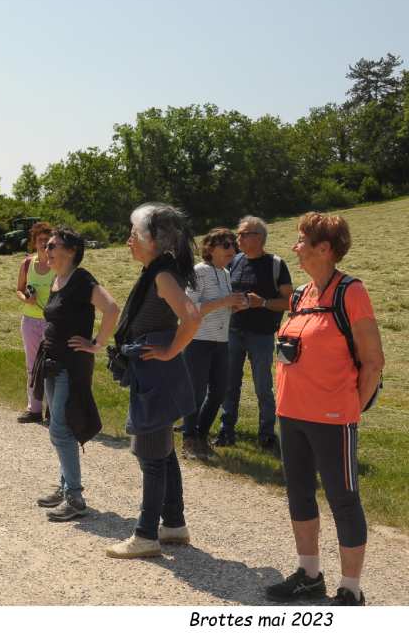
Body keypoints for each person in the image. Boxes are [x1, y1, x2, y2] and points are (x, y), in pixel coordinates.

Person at [264, 213, 383, 607]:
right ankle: (309, 575)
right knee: (299, 494)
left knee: (343, 500)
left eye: (302, 240)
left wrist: (351, 409)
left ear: (324, 249)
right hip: (292, 414)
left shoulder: (351, 291)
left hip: (332, 419)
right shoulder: (301, 294)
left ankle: (350, 590)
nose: (295, 247)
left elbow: (373, 361)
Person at [106, 203, 201, 559]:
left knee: (151, 457)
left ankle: (145, 535)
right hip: (156, 374)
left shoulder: (161, 275)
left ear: (153, 241)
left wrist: (169, 351)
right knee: (164, 451)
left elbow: (191, 318)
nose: (129, 240)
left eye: (134, 234)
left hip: (155, 374)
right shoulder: (159, 270)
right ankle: (174, 524)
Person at [33, 227, 119, 521]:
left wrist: (97, 344)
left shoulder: (82, 279)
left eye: (53, 245)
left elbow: (111, 309)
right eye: (47, 246)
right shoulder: (57, 280)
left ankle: (75, 497)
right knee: (60, 426)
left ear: (71, 251)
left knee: (60, 429)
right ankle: (65, 485)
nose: (48, 250)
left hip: (71, 365)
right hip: (52, 362)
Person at [216, 215, 294, 453]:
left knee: (263, 386)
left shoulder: (276, 264)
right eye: (237, 234)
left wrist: (262, 303)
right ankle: (226, 430)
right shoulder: (234, 262)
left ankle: (267, 435)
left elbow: (290, 302)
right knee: (229, 383)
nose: (237, 238)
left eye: (242, 234)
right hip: (233, 331)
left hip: (261, 335)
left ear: (258, 237)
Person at [181, 228, 246, 459]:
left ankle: (200, 436)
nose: (232, 249)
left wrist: (235, 304)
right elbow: (190, 308)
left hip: (221, 341)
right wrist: (224, 301)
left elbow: (219, 305)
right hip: (198, 340)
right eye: (226, 245)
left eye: (233, 245)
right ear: (210, 248)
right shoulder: (199, 272)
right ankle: (189, 438)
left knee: (219, 392)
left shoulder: (226, 273)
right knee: (196, 392)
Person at [15, 221, 54, 423]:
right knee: (32, 365)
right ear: (34, 242)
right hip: (30, 321)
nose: (44, 244)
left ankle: (52, 410)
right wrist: (26, 299)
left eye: (48, 241)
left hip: (52, 324)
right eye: (41, 241)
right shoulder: (27, 263)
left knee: (51, 366)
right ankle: (34, 409)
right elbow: (18, 289)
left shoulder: (57, 265)